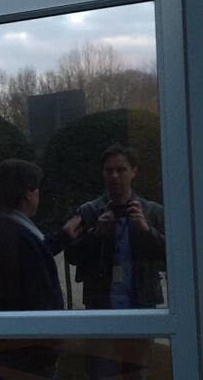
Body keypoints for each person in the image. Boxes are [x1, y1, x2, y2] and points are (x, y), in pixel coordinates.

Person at [0, 159, 81, 379]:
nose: (38, 195)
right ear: (28, 194)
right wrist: (50, 351)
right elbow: (40, 298)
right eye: (37, 189)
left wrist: (63, 237)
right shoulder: (19, 237)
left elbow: (21, 261)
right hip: (26, 359)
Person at [64, 144, 165, 379]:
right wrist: (96, 233)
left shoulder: (152, 212)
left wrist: (146, 230)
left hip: (141, 306)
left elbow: (172, 255)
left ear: (134, 171)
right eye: (108, 170)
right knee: (101, 373)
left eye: (121, 170)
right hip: (101, 307)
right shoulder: (89, 212)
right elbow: (71, 256)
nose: (115, 176)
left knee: (137, 374)